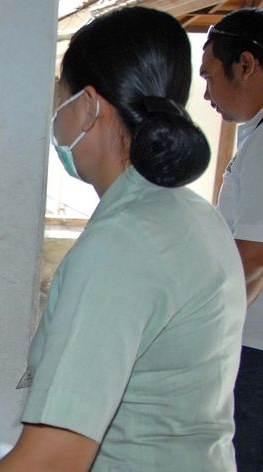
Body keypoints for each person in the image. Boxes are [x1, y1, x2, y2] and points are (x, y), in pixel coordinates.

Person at [0, 8, 245, 471]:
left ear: (88, 105)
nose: (56, 116)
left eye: (61, 99)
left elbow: (53, 460)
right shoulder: (190, 214)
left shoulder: (123, 244)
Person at [200, 8, 263, 471]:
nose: (206, 94)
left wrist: (203, 339)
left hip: (255, 349)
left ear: (246, 65)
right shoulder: (254, 136)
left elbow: (254, 258)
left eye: (209, 76)